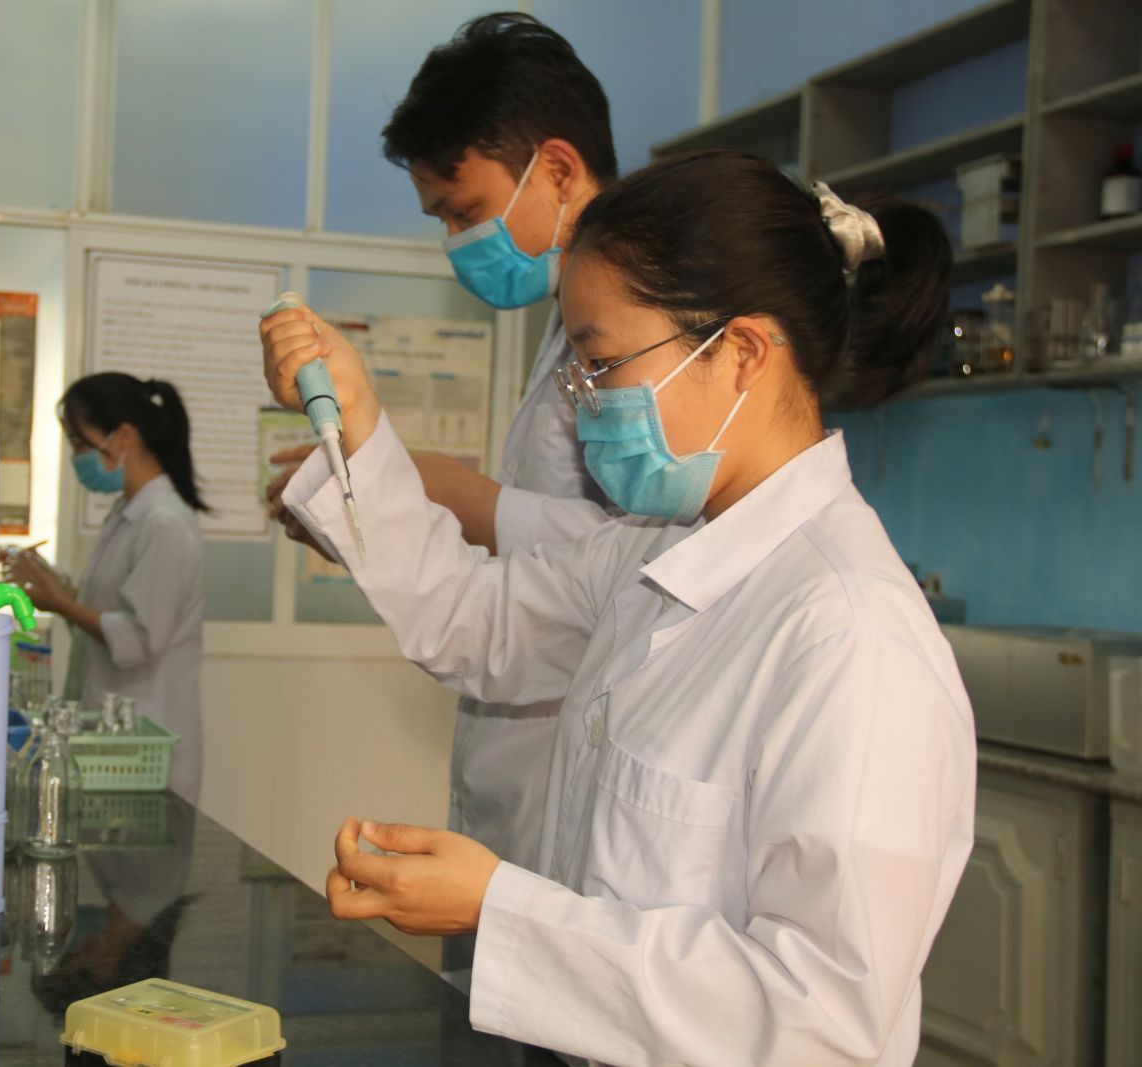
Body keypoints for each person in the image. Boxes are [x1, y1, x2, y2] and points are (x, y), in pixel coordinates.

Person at [264, 151, 975, 1067]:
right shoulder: (654, 546)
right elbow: (472, 619)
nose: (586, 404)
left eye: (601, 364)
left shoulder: (851, 639)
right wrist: (357, 418)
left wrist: (503, 910)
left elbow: (821, 1026)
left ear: (742, 354)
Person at [265, 14, 620, 982]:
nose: (457, 242)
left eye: (463, 211)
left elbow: (631, 565)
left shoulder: (632, 348)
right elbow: (496, 607)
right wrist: (381, 505)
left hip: (574, 799)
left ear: (557, 167)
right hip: (523, 772)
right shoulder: (568, 331)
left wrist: (461, 497)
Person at [8, 372, 207, 803]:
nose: (77, 457)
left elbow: (139, 639)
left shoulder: (164, 524)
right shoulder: (127, 513)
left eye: (81, 444)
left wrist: (62, 604)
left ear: (124, 437)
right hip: (116, 741)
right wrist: (58, 588)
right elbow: (107, 612)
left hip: (148, 742)